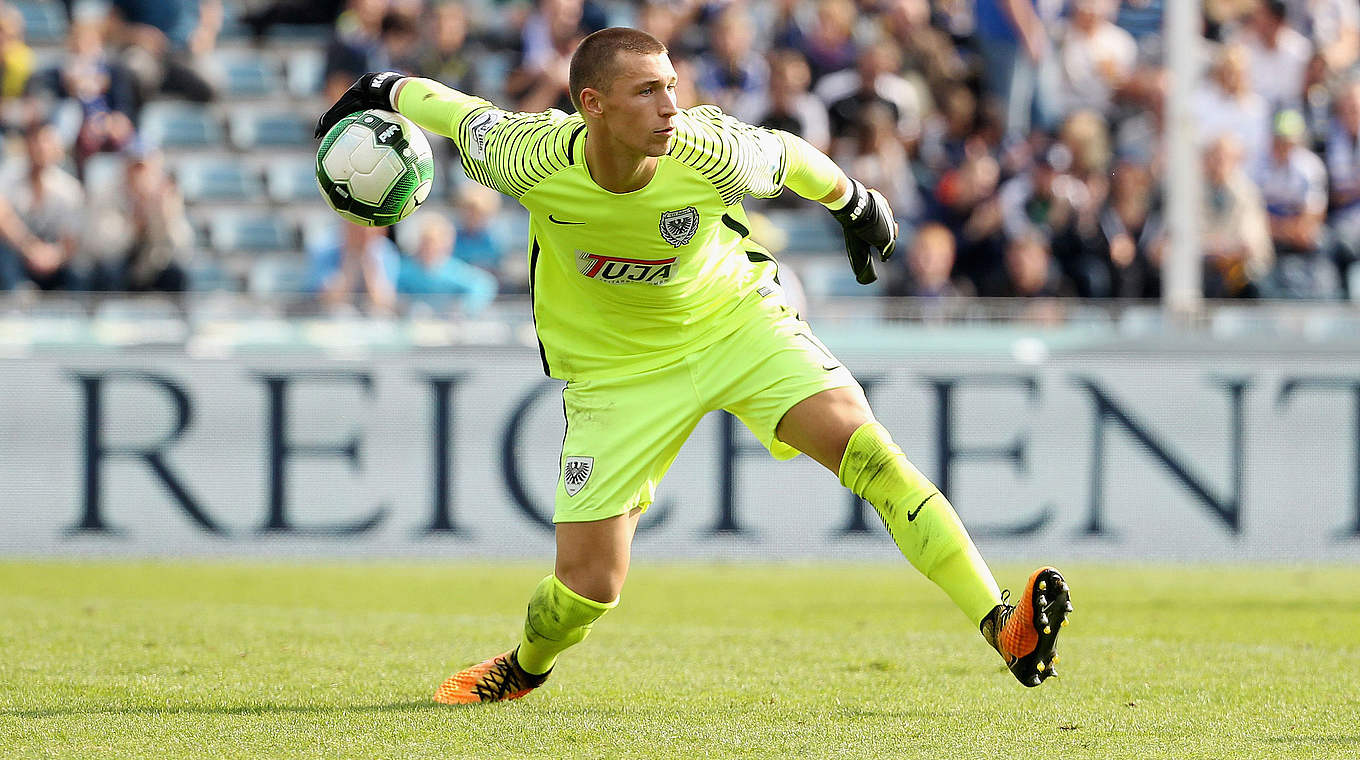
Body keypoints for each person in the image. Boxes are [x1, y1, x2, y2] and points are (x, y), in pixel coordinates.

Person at [315, 28, 1073, 703]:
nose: (671, 105)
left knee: (867, 449)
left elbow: (791, 156)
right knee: (588, 587)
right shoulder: (529, 156)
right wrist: (380, 87)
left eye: (672, 85)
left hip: (733, 323)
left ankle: (1001, 623)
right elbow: (452, 110)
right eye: (647, 91)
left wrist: (856, 202)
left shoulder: (706, 148)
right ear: (593, 105)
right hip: (618, 374)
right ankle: (525, 666)